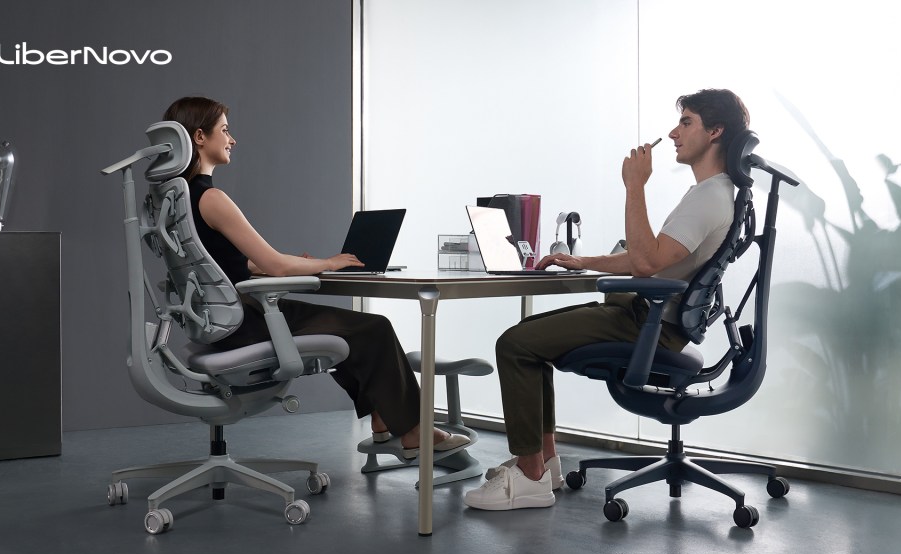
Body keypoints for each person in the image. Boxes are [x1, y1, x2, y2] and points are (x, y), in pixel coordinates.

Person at [463, 88, 750, 511]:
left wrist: (634, 186)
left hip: (647, 324)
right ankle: (543, 464)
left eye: (685, 122)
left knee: (515, 345)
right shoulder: (713, 193)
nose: (673, 132)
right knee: (529, 341)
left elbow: (647, 263)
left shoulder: (709, 196)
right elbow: (647, 256)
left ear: (716, 131)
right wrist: (583, 261)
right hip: (651, 318)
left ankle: (528, 477)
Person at [162, 95, 468, 457]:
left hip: (216, 322)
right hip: (245, 322)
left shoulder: (176, 200)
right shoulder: (212, 198)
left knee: (347, 331)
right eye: (225, 130)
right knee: (374, 329)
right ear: (200, 137)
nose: (232, 139)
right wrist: (329, 262)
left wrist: (277, 264)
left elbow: (216, 263)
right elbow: (277, 266)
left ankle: (385, 419)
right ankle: (415, 430)